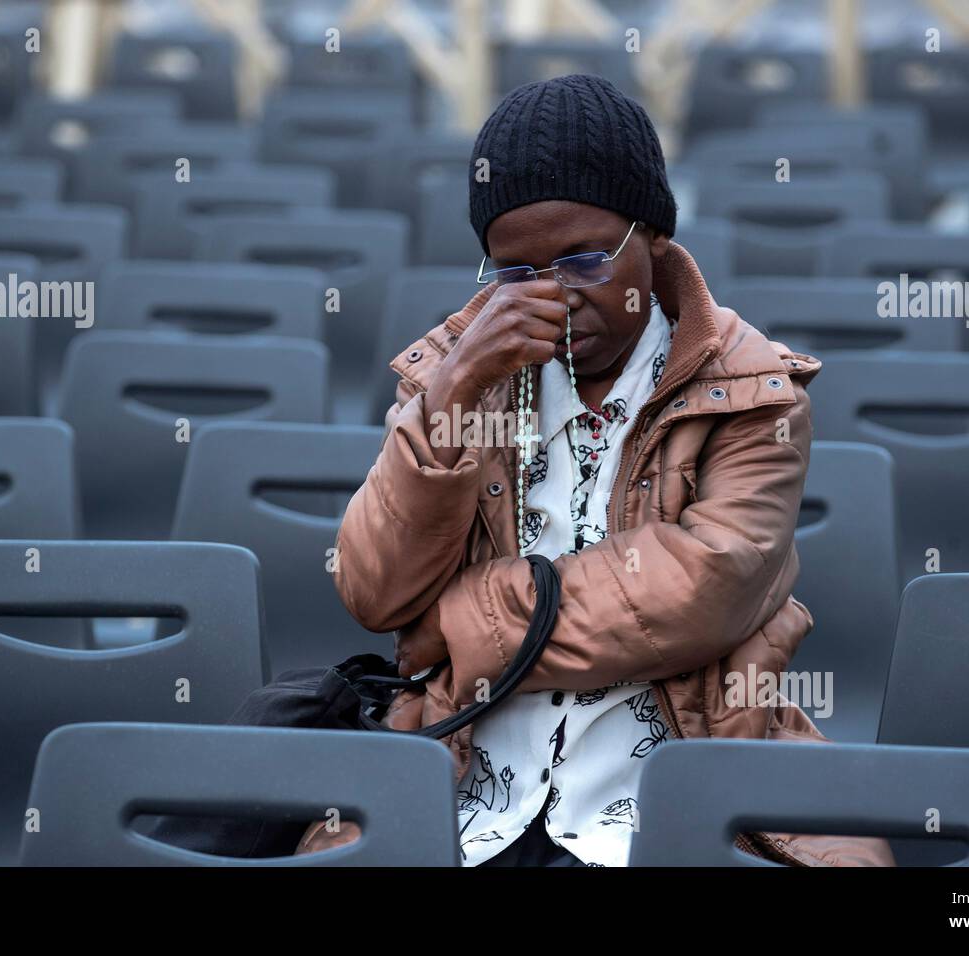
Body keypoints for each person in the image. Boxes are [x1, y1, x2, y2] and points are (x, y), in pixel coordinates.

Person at [297, 73, 895, 867]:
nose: (553, 297)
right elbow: (376, 591)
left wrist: (461, 624)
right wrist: (449, 397)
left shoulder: (754, 391)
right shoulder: (453, 378)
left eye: (582, 261)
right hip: (467, 779)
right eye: (516, 273)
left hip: (676, 774)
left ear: (653, 236)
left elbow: (702, 589)